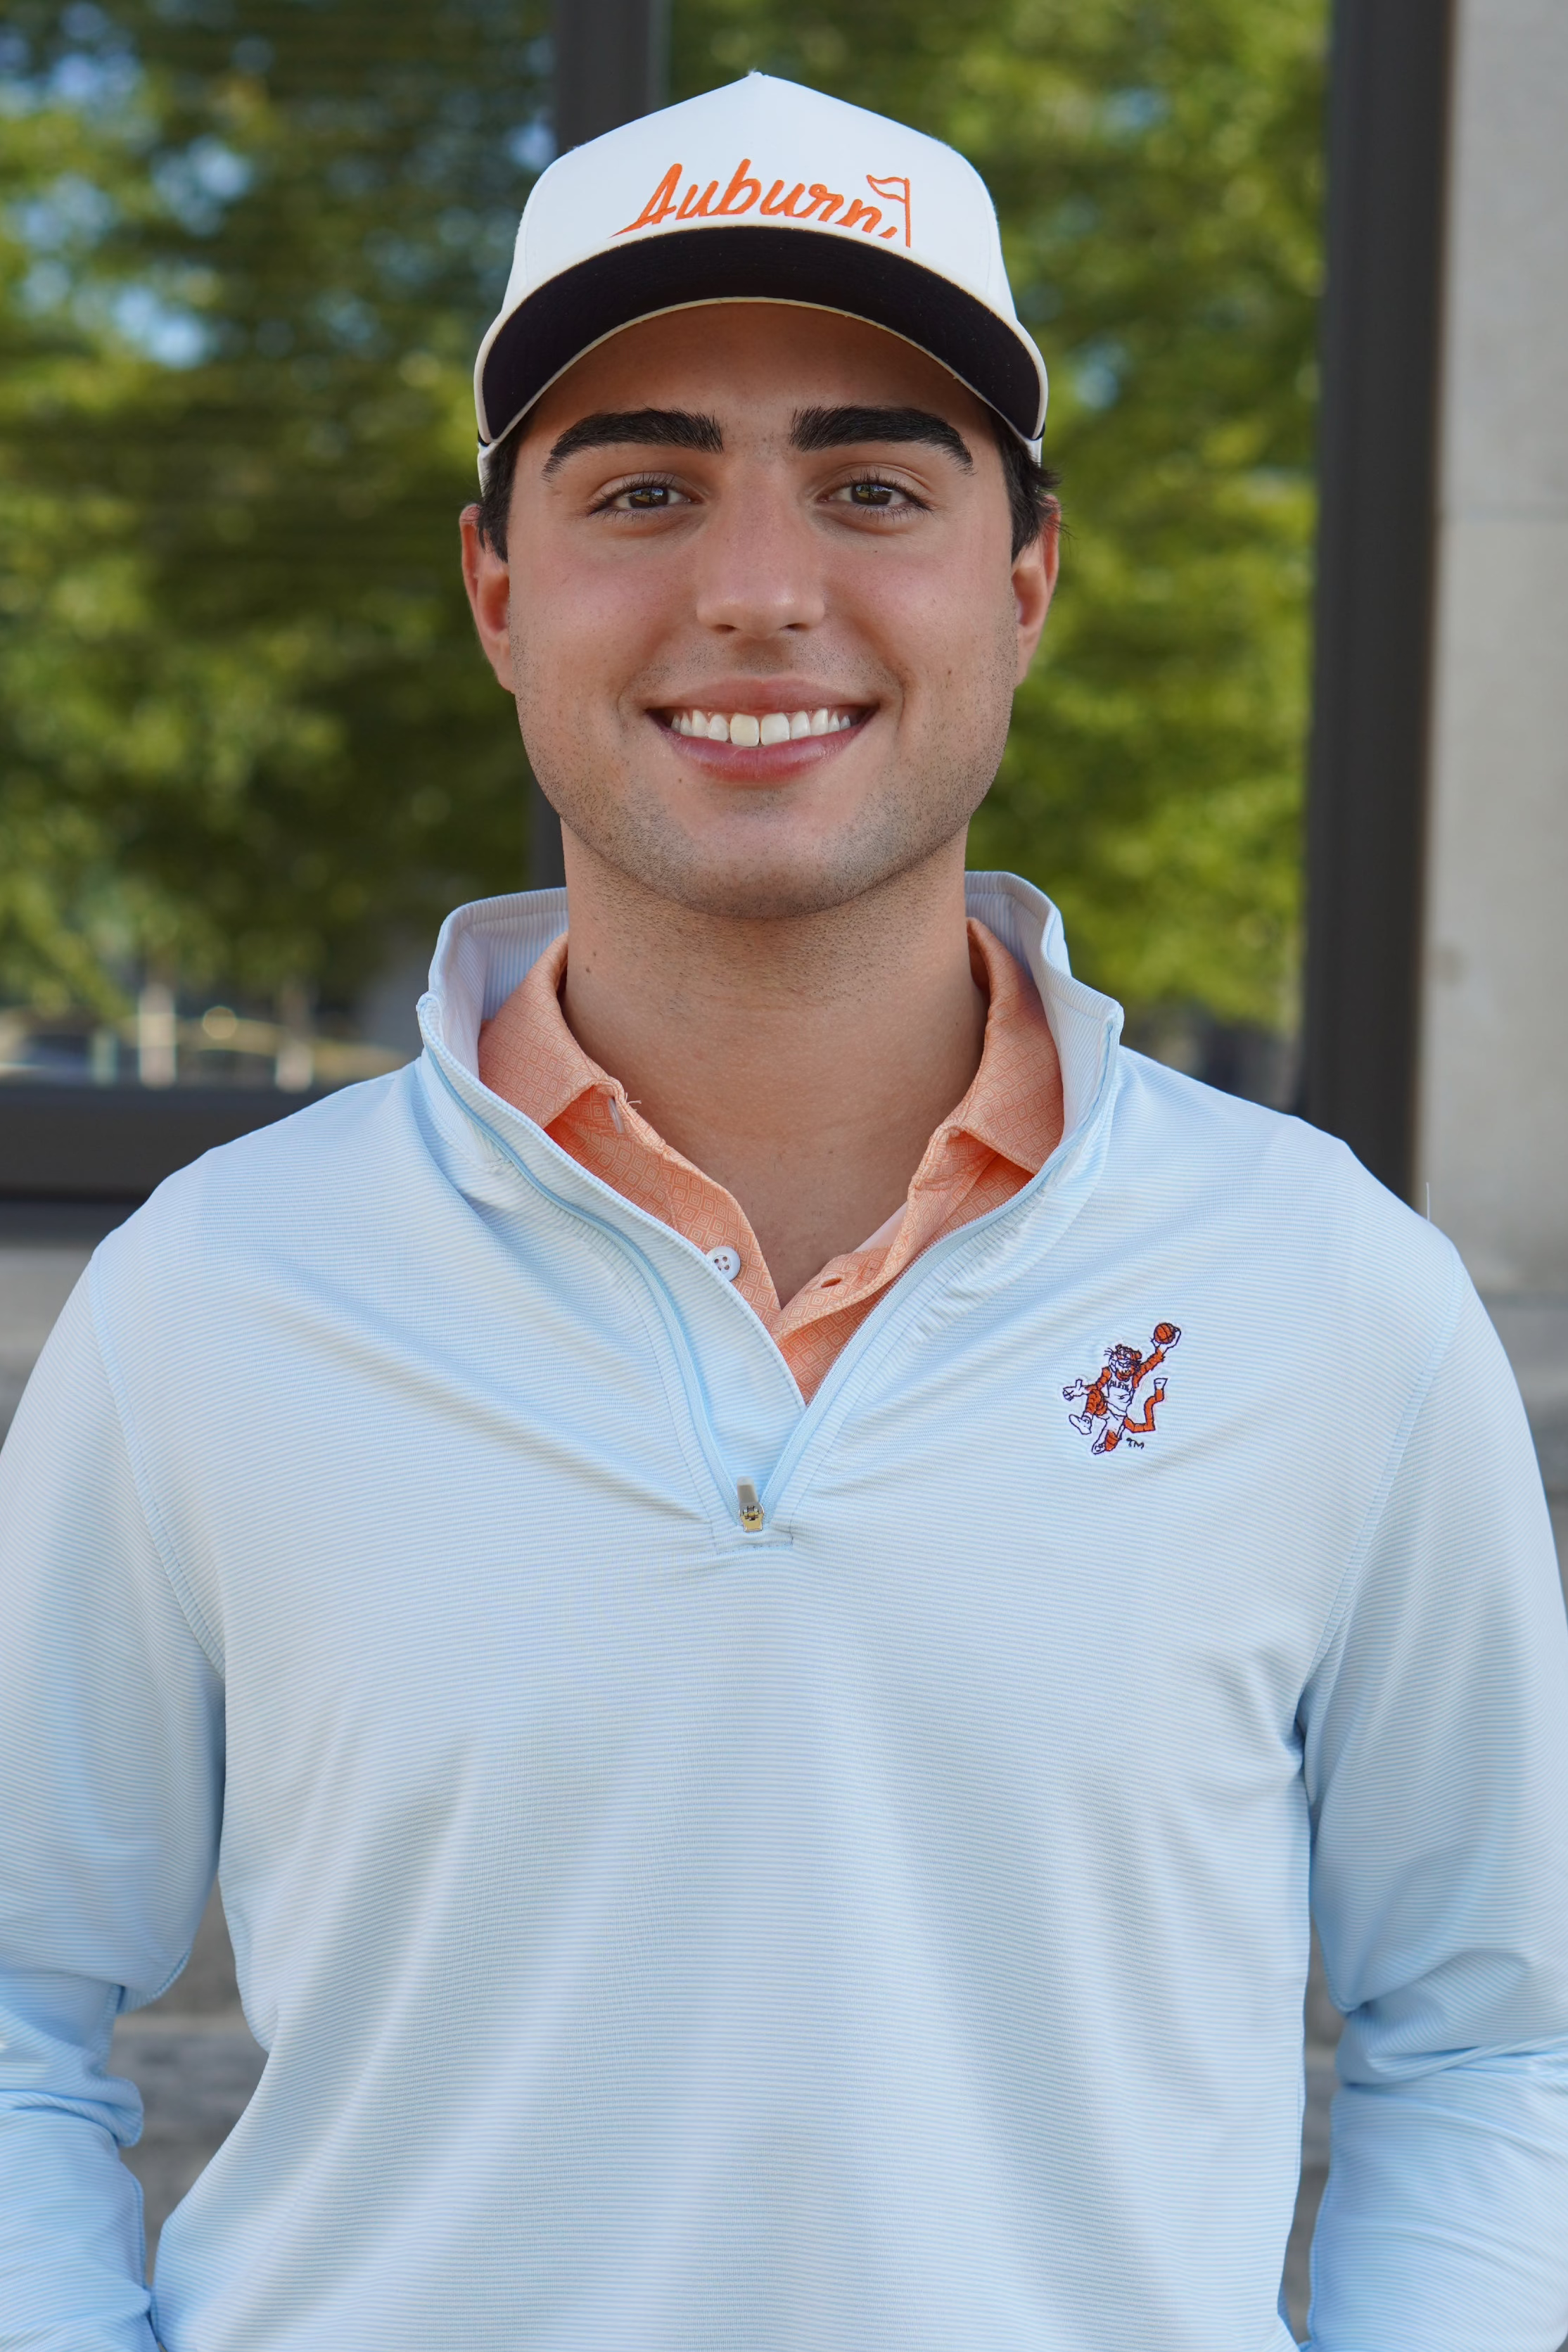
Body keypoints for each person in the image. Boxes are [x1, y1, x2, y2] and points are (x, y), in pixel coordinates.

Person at [1, 70, 1567, 2352]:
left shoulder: (1332, 1296)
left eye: (869, 483)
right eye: (643, 487)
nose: (755, 589)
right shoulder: (217, 1298)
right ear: (495, 586)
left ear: (1021, 580)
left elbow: (1492, 2032)